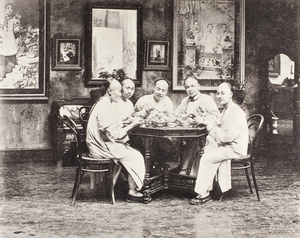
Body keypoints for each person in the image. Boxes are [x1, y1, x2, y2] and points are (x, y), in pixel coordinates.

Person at [86, 78, 146, 203]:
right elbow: (114, 135)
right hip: (99, 148)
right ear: (109, 91)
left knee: (128, 149)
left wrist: (125, 122)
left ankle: (111, 186)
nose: (120, 94)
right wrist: (132, 125)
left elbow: (111, 125)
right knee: (136, 156)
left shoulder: (104, 103)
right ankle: (132, 191)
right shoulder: (104, 107)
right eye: (118, 91)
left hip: (99, 144)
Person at [190, 82, 248, 205]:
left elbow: (226, 137)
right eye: (218, 93)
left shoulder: (235, 112)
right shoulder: (227, 109)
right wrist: (205, 120)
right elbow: (220, 127)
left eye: (223, 93)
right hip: (229, 145)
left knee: (207, 157)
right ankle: (209, 187)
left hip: (235, 148)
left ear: (231, 94)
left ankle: (204, 193)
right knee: (204, 150)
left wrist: (209, 127)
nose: (219, 96)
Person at [174, 76, 221, 175]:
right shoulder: (185, 101)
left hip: (208, 135)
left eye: (192, 86)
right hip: (190, 135)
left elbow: (217, 117)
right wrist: (185, 117)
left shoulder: (206, 99)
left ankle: (191, 173)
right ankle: (184, 170)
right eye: (187, 87)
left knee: (195, 142)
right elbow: (176, 115)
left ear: (198, 86)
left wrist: (203, 119)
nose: (190, 89)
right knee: (188, 142)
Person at [0, 3, 22, 79]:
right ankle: (2, 75)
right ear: (5, 9)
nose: (10, 10)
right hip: (3, 41)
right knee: (3, 59)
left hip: (10, 41)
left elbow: (17, 32)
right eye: (8, 8)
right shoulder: (2, 19)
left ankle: (10, 75)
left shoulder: (14, 20)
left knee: (11, 58)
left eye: (11, 9)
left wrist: (18, 22)